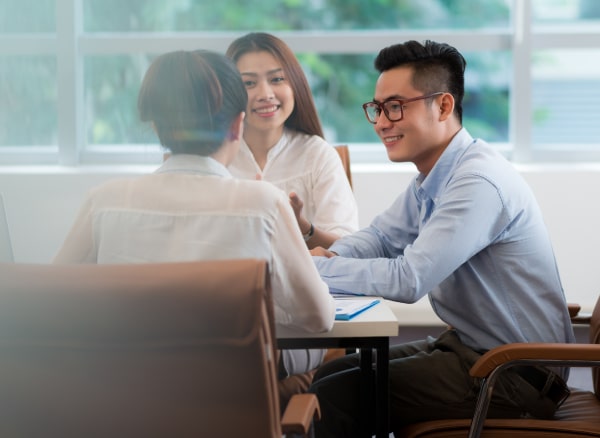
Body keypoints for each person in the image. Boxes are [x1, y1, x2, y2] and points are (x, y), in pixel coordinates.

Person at [308, 40, 575, 437]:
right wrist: (332, 255)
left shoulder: (477, 181)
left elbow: (409, 278)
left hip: (515, 372)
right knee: (333, 373)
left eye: (395, 106)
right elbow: (381, 237)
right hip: (473, 351)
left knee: (338, 393)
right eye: (377, 108)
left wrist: (311, 271)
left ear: (444, 106)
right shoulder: (434, 178)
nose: (382, 121)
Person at [52, 49, 335, 378]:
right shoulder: (265, 204)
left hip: (130, 407)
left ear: (157, 126)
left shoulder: (103, 202)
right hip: (235, 408)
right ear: (237, 125)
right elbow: (318, 318)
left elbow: (53, 302)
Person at [226, 32, 359, 249]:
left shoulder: (318, 155)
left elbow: (349, 248)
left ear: (295, 84)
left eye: (277, 79)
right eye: (249, 83)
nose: (265, 94)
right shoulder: (215, 156)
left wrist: (302, 227)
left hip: (307, 281)